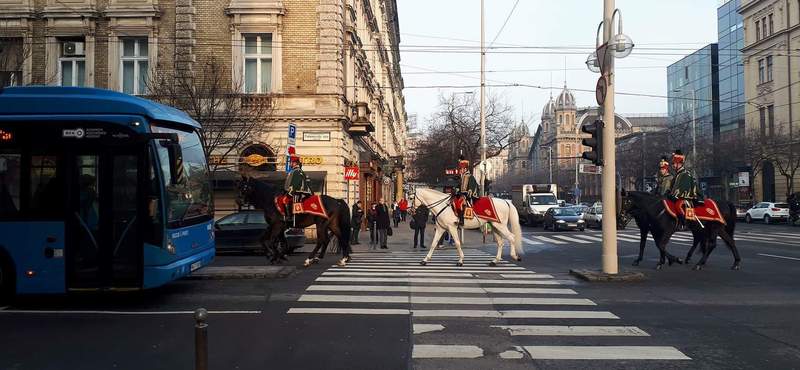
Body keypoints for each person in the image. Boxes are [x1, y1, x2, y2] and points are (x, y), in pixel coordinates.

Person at [668, 149, 700, 228]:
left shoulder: (685, 174)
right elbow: (672, 186)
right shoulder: (677, 174)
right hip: (677, 196)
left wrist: (675, 195)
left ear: (679, 164)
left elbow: (684, 188)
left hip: (685, 197)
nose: (672, 166)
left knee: (678, 205)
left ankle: (684, 222)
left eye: (674, 164)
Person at [284, 148, 314, 223]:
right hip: (299, 192)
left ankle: (289, 217)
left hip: (297, 193)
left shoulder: (296, 171)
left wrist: (289, 194)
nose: (289, 164)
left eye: (290, 162)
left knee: (285, 200)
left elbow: (294, 184)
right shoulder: (297, 171)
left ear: (294, 163)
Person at [453, 155, 480, 226]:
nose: (460, 170)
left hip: (467, 195)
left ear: (465, 169)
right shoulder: (463, 177)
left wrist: (469, 192)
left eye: (461, 169)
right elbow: (459, 186)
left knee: (460, 204)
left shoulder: (470, 176)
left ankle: (462, 221)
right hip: (462, 194)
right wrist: (456, 190)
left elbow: (472, 186)